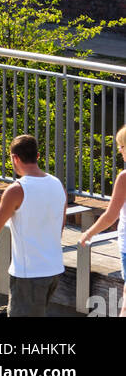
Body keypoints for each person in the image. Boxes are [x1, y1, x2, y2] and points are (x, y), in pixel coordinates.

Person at [0, 134, 67, 318]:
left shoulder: (17, 190)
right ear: (37, 156)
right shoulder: (57, 184)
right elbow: (60, 223)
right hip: (53, 270)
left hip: (29, 274)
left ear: (15, 158)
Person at [79, 124, 126, 317]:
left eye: (121, 147)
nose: (120, 152)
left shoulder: (124, 178)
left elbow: (110, 215)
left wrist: (89, 233)